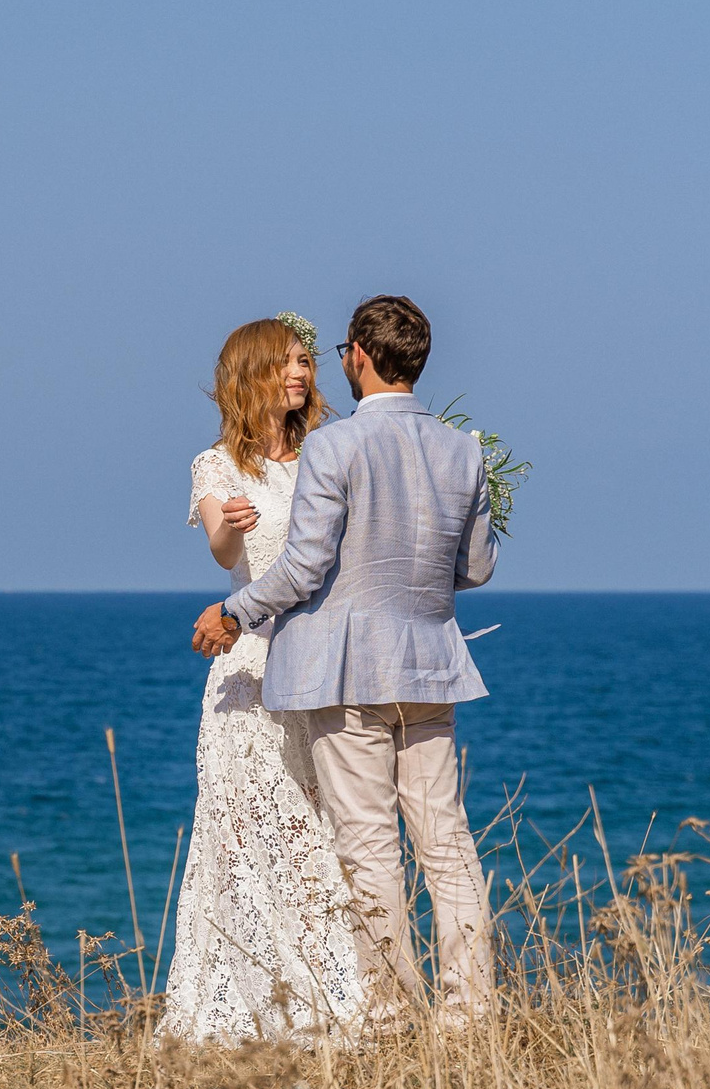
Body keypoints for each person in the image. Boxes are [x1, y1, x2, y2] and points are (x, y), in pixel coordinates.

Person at [194, 295, 498, 1029]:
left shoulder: (335, 448)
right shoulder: (465, 450)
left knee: (367, 847)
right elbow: (478, 567)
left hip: (348, 674)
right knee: (447, 844)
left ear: (359, 357)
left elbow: (302, 568)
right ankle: (471, 1014)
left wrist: (234, 612)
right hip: (431, 668)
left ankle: (391, 1015)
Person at [159, 317, 369, 1044]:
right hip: (249, 672)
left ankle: (334, 1001)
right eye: (284, 363)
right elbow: (222, 551)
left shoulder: (327, 453)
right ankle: (248, 1009)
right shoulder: (216, 464)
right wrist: (232, 528)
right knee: (247, 841)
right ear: (250, 374)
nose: (301, 373)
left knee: (320, 837)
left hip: (319, 669)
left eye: (306, 360)